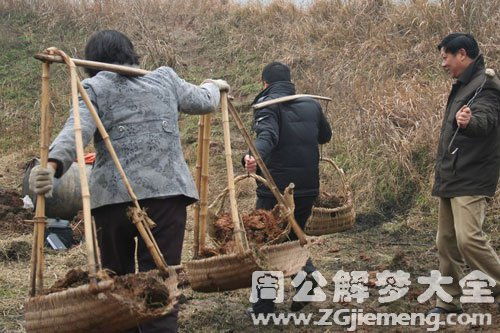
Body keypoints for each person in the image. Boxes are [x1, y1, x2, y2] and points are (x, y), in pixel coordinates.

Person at [28, 30, 229, 332]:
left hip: (112, 202)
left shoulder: (93, 86)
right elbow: (204, 100)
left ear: (91, 62)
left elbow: (77, 129)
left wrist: (54, 165)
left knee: (116, 282)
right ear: (130, 54)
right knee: (159, 282)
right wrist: (214, 85)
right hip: (166, 197)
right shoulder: (165, 79)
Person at [244, 62, 332, 314]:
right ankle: (308, 282)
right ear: (289, 81)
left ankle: (263, 305)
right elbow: (325, 136)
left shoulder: (267, 106)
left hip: (276, 189)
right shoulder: (311, 104)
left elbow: (266, 137)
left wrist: (251, 157)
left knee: (266, 242)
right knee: (294, 236)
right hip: (307, 187)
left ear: (265, 83)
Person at [429, 33, 500, 314]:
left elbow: (486, 120)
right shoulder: (464, 85)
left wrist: (470, 122)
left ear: (461, 54)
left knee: (468, 239)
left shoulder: (486, 86)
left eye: (446, 57)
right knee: (445, 241)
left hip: (472, 175)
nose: (443, 63)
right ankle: (447, 301)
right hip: (452, 173)